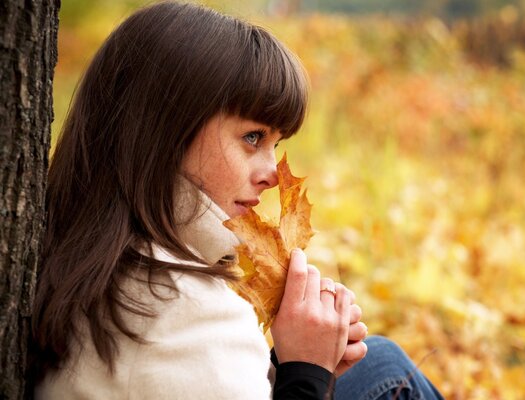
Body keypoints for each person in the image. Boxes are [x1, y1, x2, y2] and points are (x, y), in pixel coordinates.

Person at [30, 2, 445, 399]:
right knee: (391, 376)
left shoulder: (90, 252)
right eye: (252, 138)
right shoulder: (185, 312)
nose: (271, 173)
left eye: (276, 143)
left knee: (382, 364)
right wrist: (308, 374)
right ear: (165, 131)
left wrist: (292, 361)